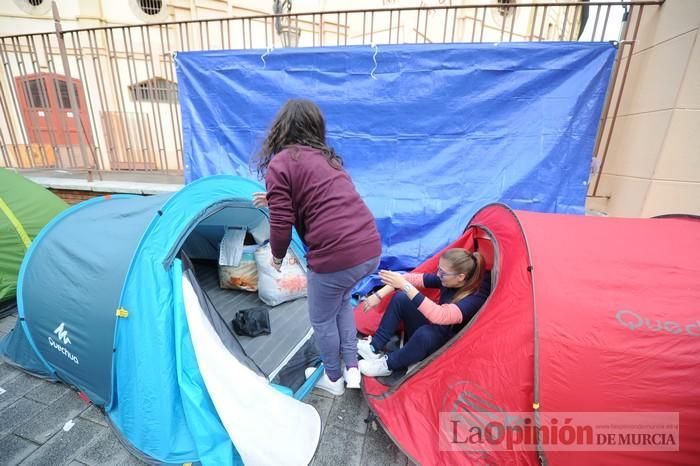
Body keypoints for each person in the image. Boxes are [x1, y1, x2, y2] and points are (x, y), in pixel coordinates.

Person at [252, 99, 381, 396]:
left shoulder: (281, 162)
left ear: (280, 128)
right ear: (315, 127)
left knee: (322, 318)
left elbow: (283, 221)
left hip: (337, 256)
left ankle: (333, 379)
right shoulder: (327, 160)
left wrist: (277, 255)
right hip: (368, 248)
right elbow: (318, 199)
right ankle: (351, 369)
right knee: (342, 305)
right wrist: (274, 198)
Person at [357, 248, 490, 377]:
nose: (438, 275)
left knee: (426, 333)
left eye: (442, 272)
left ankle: (387, 365)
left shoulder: (475, 297)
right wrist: (379, 295)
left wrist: (404, 285)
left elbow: (441, 316)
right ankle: (374, 347)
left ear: (461, 277)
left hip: (448, 349)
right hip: (437, 332)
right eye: (438, 269)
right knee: (402, 298)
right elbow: (408, 278)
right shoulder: (449, 279)